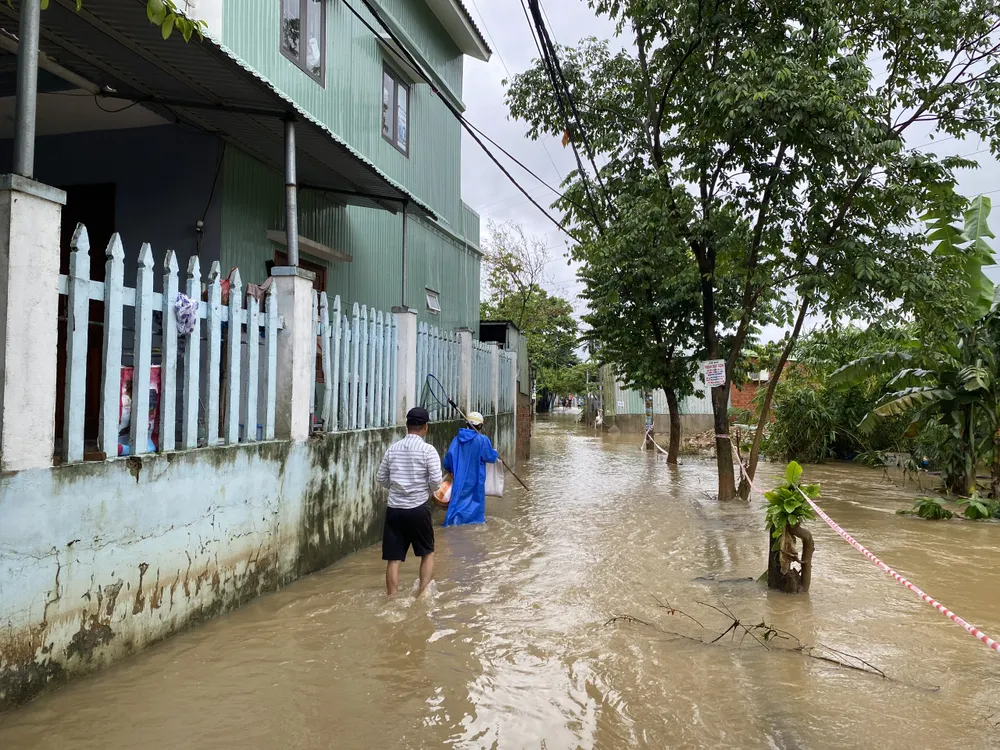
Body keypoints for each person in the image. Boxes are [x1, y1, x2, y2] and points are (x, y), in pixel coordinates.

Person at [376, 407, 442, 596]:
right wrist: (425, 489)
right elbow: (436, 481)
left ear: (407, 425)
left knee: (393, 559)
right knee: (427, 553)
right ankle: (422, 596)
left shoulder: (393, 449)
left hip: (394, 509)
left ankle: (392, 599)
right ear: (425, 427)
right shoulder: (428, 450)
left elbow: (381, 478)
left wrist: (397, 488)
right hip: (418, 508)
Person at [442, 412, 499, 527]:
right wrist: (495, 452)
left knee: (457, 500)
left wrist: (449, 469)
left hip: (458, 478)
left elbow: (448, 459)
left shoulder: (456, 439)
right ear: (480, 425)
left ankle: (454, 523)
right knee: (475, 502)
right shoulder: (482, 440)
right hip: (476, 478)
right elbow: (490, 457)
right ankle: (473, 523)